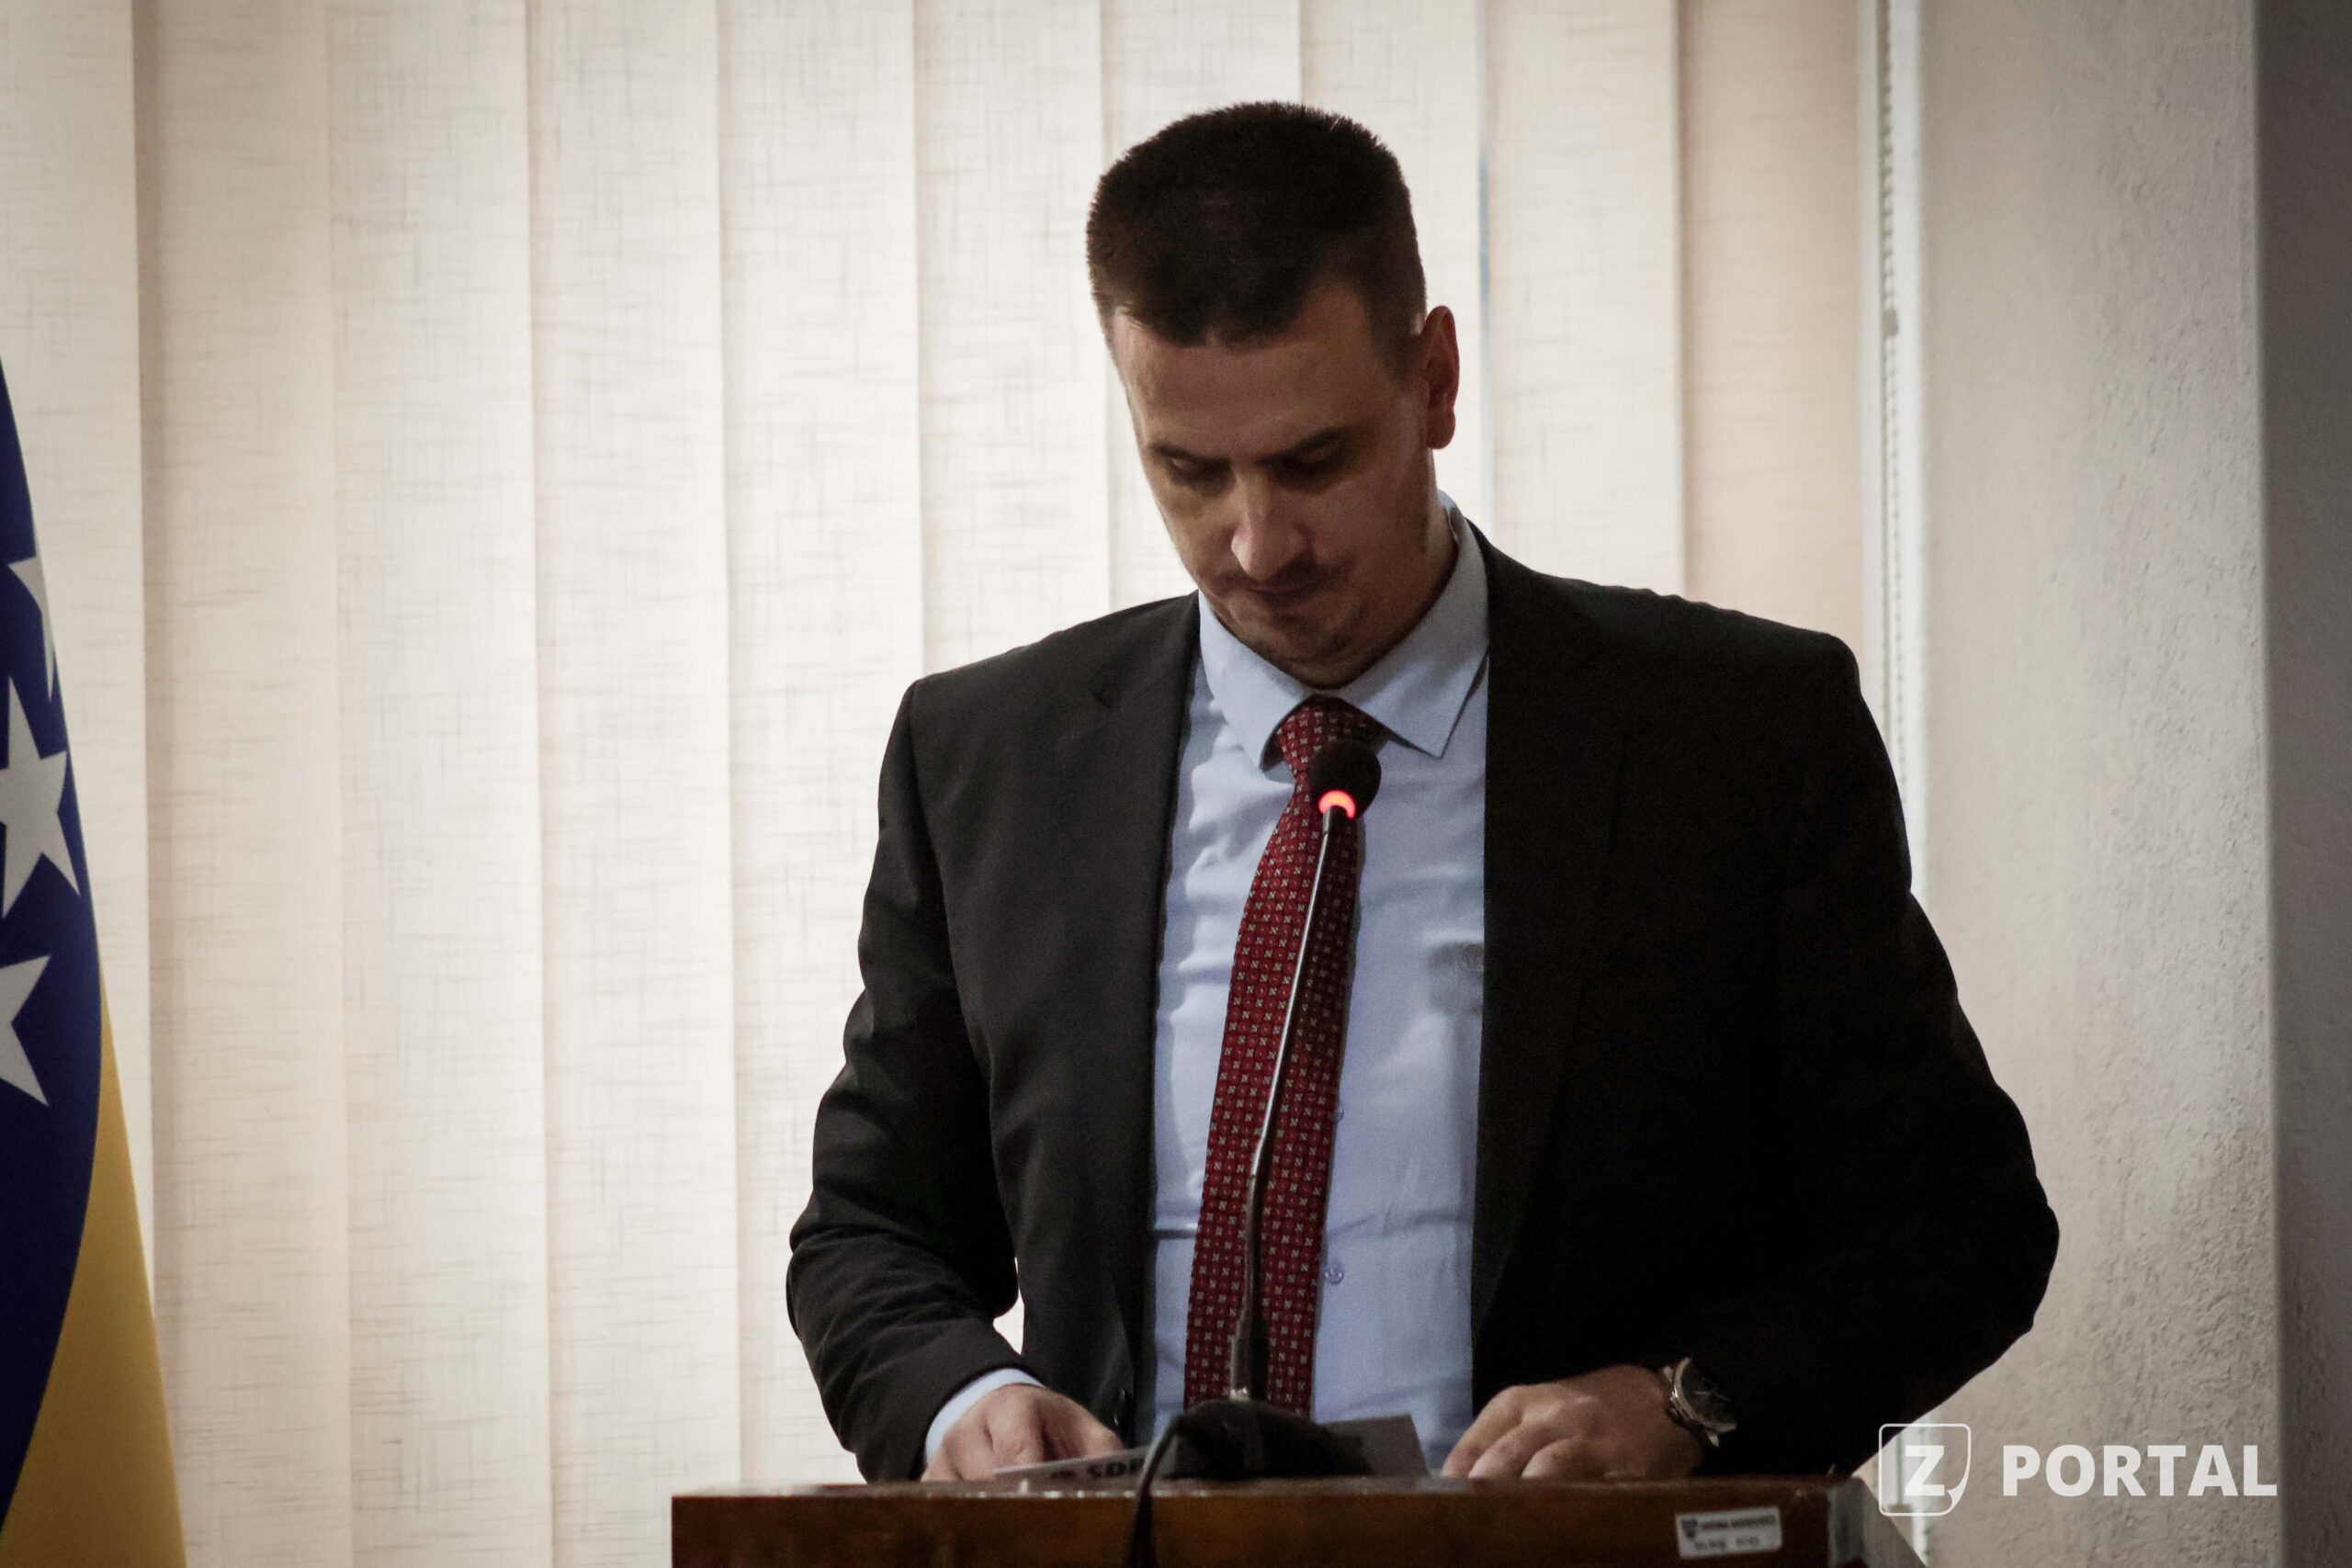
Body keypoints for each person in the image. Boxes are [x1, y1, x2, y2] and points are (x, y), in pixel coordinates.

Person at [787, 102, 2057, 1485]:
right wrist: (960, 1396)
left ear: (1436, 380)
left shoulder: (1737, 736)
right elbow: (871, 1229)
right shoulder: (989, 761)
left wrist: (1687, 1403)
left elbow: (1961, 1222)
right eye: (1189, 471)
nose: (1257, 545)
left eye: (1312, 461)